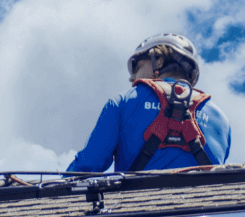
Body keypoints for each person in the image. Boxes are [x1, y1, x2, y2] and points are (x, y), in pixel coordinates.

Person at [67, 33, 230, 172]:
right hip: (204, 201)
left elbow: (88, 166)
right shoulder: (221, 120)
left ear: (158, 61)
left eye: (136, 67)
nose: (131, 78)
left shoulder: (123, 102)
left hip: (137, 200)